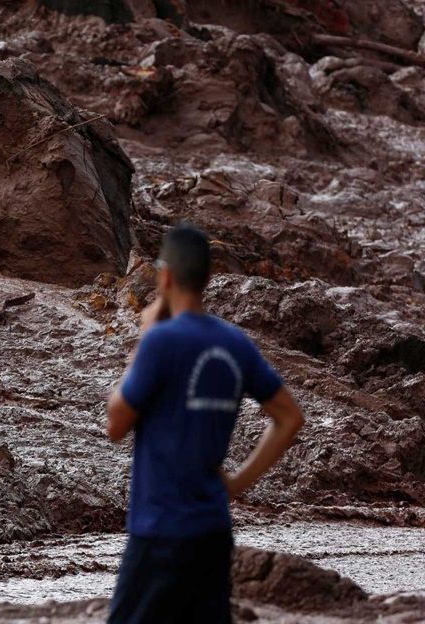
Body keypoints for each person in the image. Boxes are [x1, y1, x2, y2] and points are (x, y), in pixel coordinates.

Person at [105, 223, 305, 624]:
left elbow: (115, 423)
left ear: (164, 276)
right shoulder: (235, 344)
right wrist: (235, 483)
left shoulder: (161, 341)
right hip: (213, 533)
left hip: (159, 531)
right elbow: (290, 418)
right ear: (208, 278)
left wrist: (144, 339)